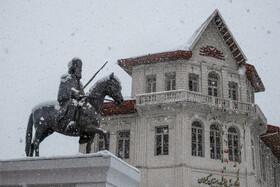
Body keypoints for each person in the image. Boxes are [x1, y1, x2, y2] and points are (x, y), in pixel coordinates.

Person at [56, 58, 85, 126]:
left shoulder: (79, 82)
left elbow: (82, 93)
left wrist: (83, 96)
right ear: (73, 68)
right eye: (78, 68)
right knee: (73, 104)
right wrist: (74, 93)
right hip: (65, 100)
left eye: (80, 68)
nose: (80, 70)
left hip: (75, 100)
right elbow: (67, 90)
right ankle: (67, 122)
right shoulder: (67, 78)